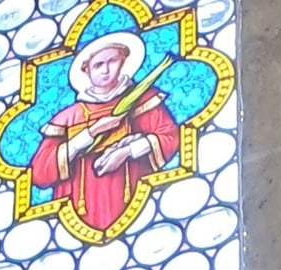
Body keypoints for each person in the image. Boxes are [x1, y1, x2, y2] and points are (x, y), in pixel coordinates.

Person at [28, 31, 180, 237]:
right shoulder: (68, 117)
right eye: (98, 65)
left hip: (141, 208)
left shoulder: (143, 99)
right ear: (87, 71)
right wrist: (90, 133)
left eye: (113, 61)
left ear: (124, 62)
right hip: (76, 213)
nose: (106, 70)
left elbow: (169, 136)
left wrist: (127, 151)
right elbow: (40, 171)